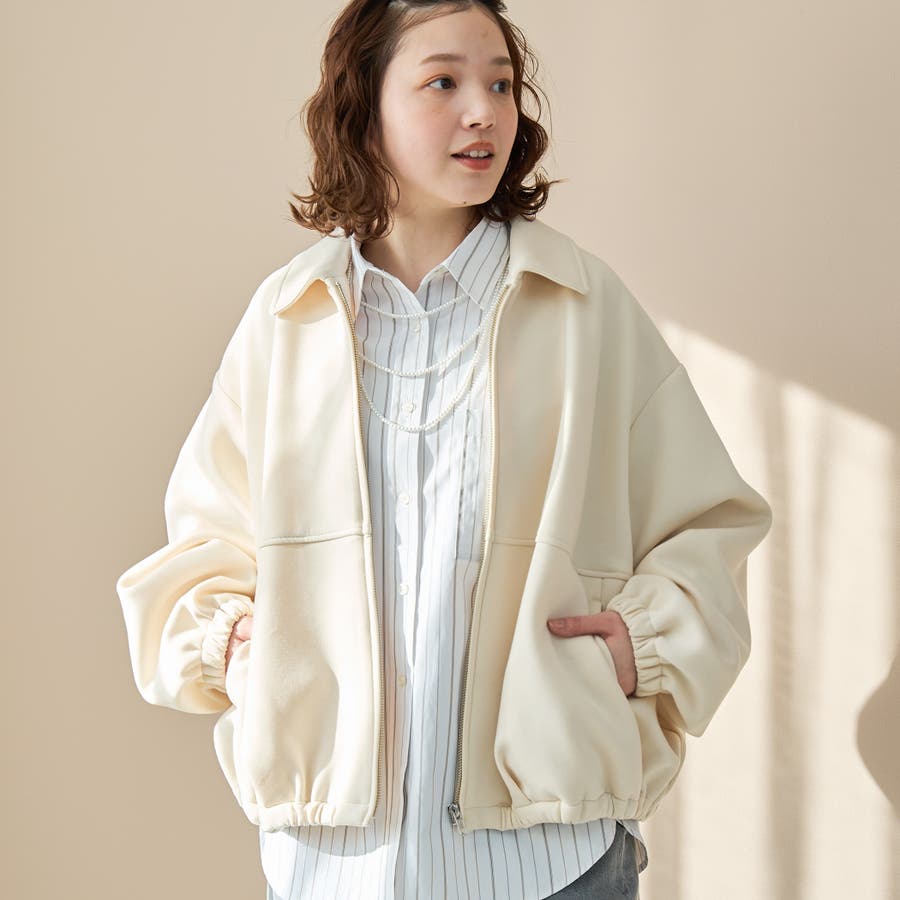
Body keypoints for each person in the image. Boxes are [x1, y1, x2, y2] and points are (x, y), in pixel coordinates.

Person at [116, 1, 773, 898]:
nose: (483, 111)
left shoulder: (582, 307)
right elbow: (202, 540)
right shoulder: (288, 320)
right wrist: (235, 644)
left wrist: (637, 646)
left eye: (501, 84)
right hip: (327, 868)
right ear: (364, 108)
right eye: (443, 82)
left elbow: (711, 521)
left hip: (555, 863)